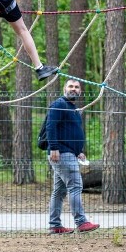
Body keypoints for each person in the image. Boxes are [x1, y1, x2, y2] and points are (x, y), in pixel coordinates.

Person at [46, 79, 99, 234]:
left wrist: (79, 151)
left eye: (76, 87)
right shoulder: (59, 104)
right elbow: (51, 126)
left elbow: (70, 132)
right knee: (75, 186)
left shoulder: (73, 109)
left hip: (69, 153)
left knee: (59, 191)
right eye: (71, 86)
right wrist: (54, 148)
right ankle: (81, 222)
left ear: (80, 91)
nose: (74, 89)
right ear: (64, 89)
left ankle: (55, 225)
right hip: (61, 153)